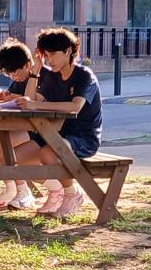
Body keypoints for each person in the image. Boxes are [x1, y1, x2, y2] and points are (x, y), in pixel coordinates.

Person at [13, 28, 103, 219]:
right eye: (46, 55)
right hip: (53, 135)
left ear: (68, 51)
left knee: (47, 152)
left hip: (83, 138)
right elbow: (29, 100)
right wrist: (36, 71)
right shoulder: (52, 76)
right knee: (16, 159)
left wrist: (35, 104)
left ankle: (72, 194)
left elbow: (75, 107)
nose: (49, 60)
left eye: (53, 54)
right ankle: (56, 192)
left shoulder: (84, 75)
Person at [0, 39, 41, 210]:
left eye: (15, 73)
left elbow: (32, 102)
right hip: (20, 127)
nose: (14, 77)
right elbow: (15, 98)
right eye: (9, 75)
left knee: (2, 144)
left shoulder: (39, 77)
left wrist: (14, 98)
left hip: (39, 129)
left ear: (28, 65)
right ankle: (10, 188)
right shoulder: (18, 80)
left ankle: (23, 191)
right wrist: (5, 97)